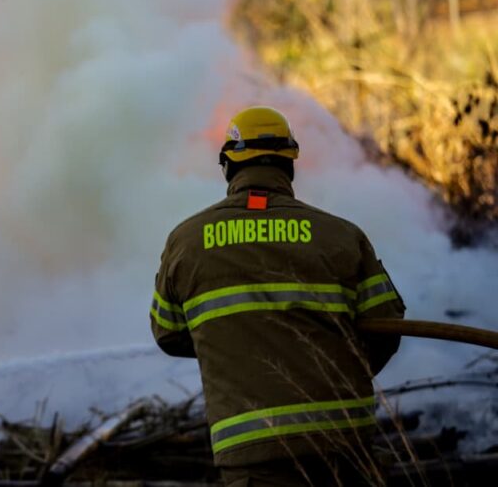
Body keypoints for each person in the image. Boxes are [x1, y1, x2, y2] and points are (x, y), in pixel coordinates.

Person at [150, 106, 405, 486]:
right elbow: (386, 325)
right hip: (345, 441)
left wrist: (232, 343)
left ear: (228, 166)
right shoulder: (343, 236)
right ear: (290, 164)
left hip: (252, 451)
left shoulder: (186, 242)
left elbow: (168, 333)